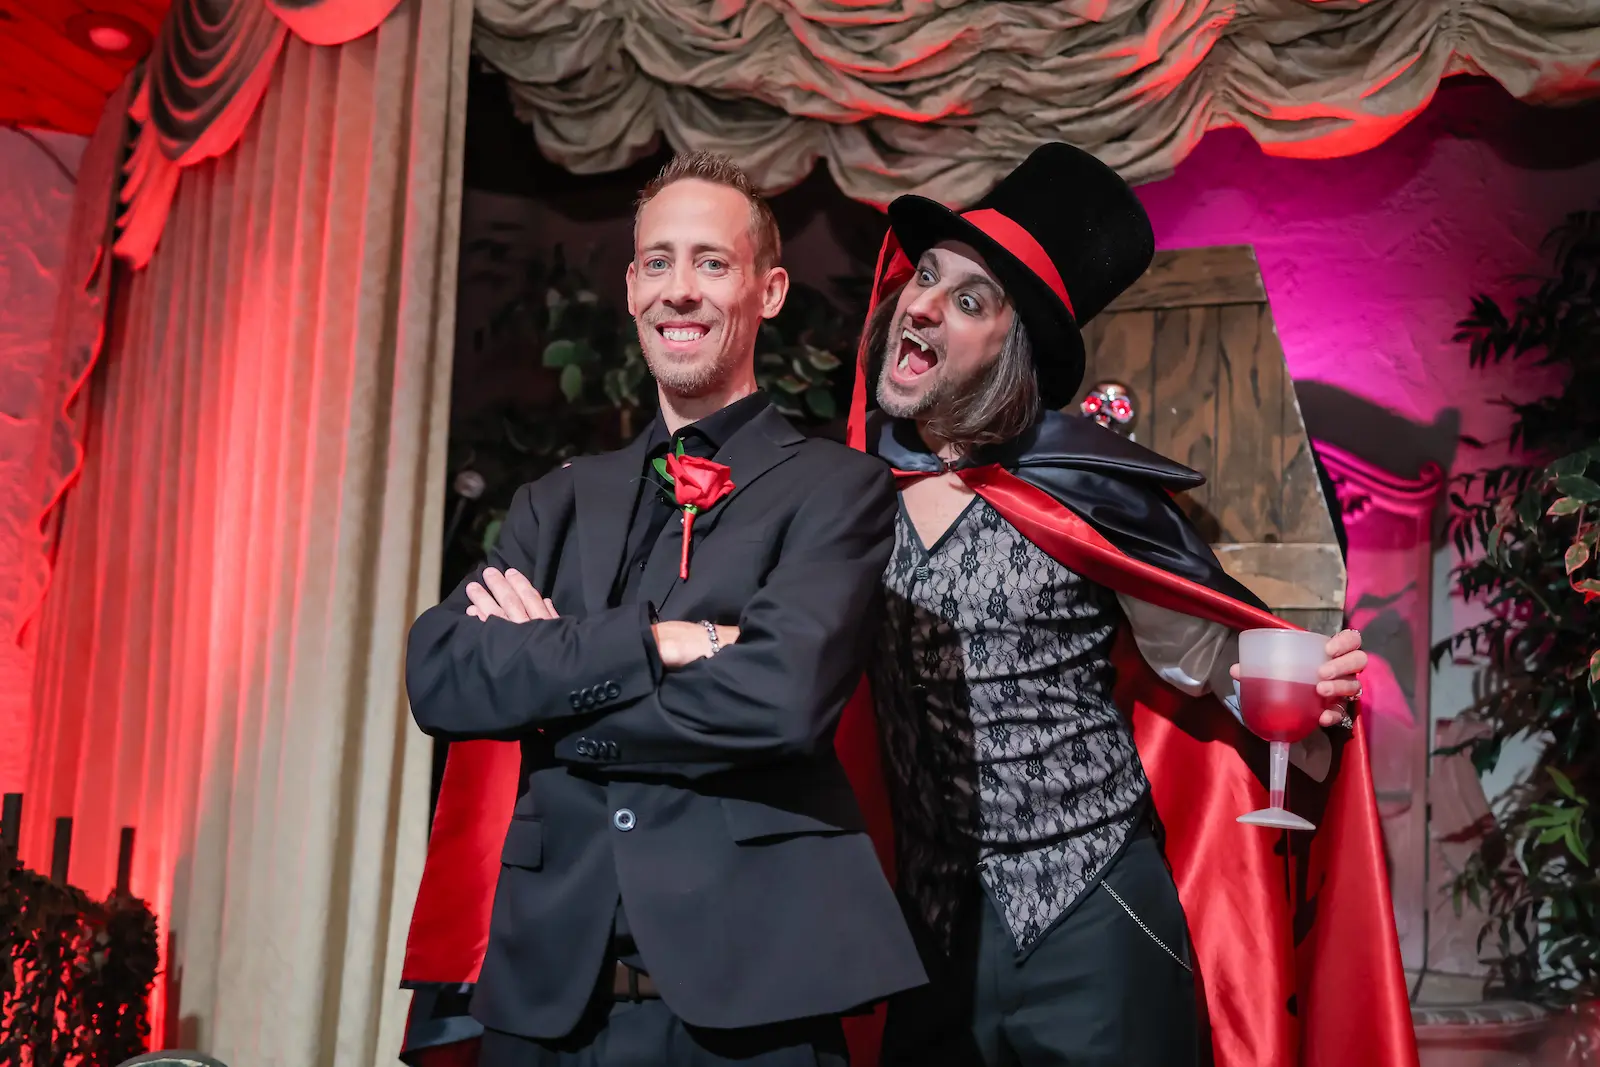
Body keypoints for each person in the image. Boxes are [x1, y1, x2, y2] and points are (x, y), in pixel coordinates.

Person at [833, 143, 1418, 1066]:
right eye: (928, 277)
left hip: (1094, 926)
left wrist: (1301, 682)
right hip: (929, 937)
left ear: (1012, 346)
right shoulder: (847, 501)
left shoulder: (1079, 489)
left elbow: (1204, 653)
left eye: (970, 299)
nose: (924, 303)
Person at [399, 151, 924, 1067]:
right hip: (541, 1004)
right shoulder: (554, 502)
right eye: (658, 262)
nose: (681, 289)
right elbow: (442, 673)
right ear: (633, 288)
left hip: (752, 1003)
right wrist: (658, 642)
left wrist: (551, 687)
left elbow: (779, 697)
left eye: (712, 264)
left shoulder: (840, 489)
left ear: (768, 291)